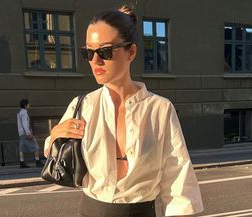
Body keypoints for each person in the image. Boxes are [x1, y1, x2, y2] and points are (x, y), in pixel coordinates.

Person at [44, 5, 203, 217]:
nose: (95, 61)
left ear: (132, 52)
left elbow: (177, 178)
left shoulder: (159, 109)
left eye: (105, 51)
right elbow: (54, 154)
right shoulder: (82, 106)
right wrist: (54, 135)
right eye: (88, 52)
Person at [17, 99, 44, 168]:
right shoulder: (24, 113)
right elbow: (24, 124)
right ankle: (37, 161)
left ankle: (22, 162)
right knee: (35, 146)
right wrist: (29, 133)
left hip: (21, 134)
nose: (29, 105)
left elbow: (20, 124)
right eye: (28, 104)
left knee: (21, 148)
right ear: (25, 105)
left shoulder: (19, 112)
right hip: (26, 133)